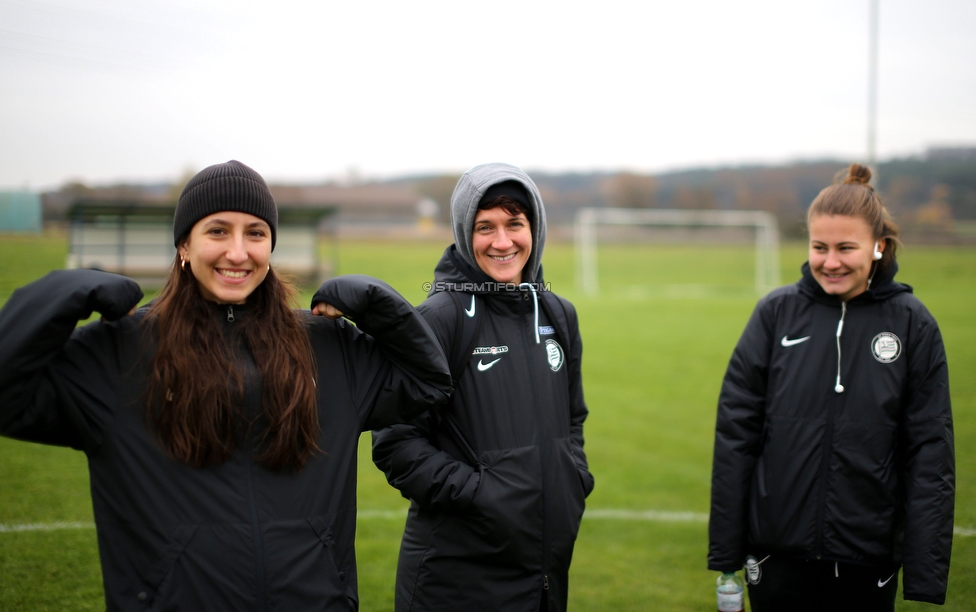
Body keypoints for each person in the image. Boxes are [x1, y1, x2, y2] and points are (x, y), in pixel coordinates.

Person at [0, 160, 452, 611]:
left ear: (270, 245)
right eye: (218, 231)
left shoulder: (324, 345)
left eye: (255, 233)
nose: (238, 252)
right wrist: (66, 293)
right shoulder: (122, 351)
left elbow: (426, 383)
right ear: (184, 245)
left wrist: (379, 306)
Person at [708, 163, 954, 610]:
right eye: (819, 247)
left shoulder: (912, 324)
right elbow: (735, 438)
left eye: (846, 247)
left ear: (879, 246)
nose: (830, 261)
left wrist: (924, 570)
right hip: (776, 552)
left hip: (866, 557)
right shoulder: (776, 314)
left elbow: (930, 452)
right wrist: (727, 552)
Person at [372, 162, 594, 612]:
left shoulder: (558, 315)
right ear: (462, 233)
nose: (503, 241)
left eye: (515, 224)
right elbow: (395, 441)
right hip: (455, 579)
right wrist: (481, 495)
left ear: (535, 228)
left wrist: (574, 478)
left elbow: (574, 418)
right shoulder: (439, 318)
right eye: (485, 227)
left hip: (544, 572)